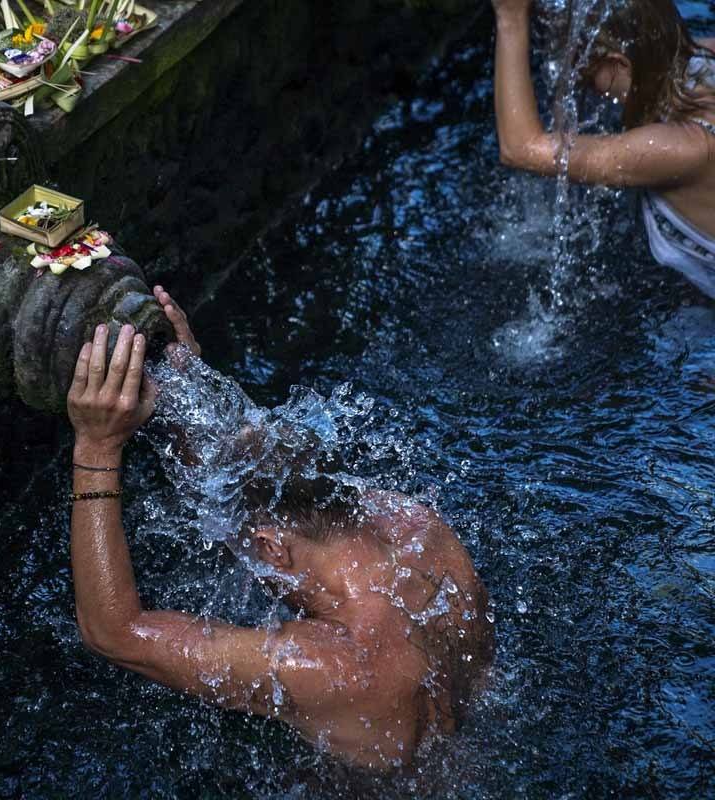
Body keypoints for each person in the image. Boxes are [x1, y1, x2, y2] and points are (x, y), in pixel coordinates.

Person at [64, 287, 494, 770]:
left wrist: (97, 449)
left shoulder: (325, 665)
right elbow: (265, 493)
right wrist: (186, 385)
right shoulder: (418, 527)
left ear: (271, 548)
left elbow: (113, 632)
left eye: (246, 539)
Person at [492, 0, 715, 299]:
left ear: (620, 65)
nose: (585, 82)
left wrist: (510, 17)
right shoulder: (701, 55)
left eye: (588, 68)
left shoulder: (677, 147)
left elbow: (519, 148)